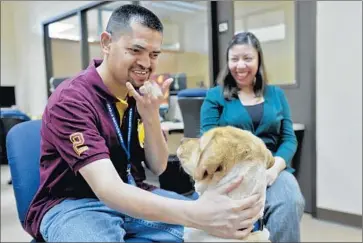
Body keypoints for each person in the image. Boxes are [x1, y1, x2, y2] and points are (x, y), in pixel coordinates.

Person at [24, 5, 264, 243]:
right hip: (76, 204)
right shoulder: (72, 100)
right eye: (136, 50)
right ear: (106, 43)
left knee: (231, 232)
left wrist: (150, 115)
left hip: (135, 193)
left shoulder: (138, 94)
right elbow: (108, 189)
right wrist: (198, 214)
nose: (146, 63)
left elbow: (158, 166)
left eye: (154, 54)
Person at [200, 31, 306, 242]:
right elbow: (208, 141)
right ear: (227, 62)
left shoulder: (276, 94)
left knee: (290, 200)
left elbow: (288, 139)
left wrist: (275, 168)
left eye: (247, 58)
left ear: (258, 60)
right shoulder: (215, 96)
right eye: (234, 59)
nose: (240, 65)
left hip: (271, 168)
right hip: (232, 171)